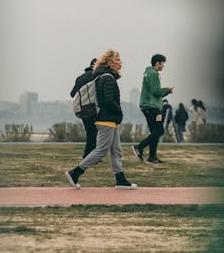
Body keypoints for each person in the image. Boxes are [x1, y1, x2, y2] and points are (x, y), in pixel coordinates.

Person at [65, 49, 136, 189]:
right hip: (106, 120)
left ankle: (120, 179)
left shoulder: (104, 76)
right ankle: (75, 173)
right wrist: (119, 112)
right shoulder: (107, 78)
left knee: (116, 150)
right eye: (118, 59)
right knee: (101, 151)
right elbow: (108, 101)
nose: (121, 62)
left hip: (109, 119)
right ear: (111, 62)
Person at [132, 54, 173, 164]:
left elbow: (153, 93)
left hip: (148, 106)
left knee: (154, 131)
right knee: (159, 130)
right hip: (152, 107)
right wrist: (167, 90)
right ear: (158, 63)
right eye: (163, 63)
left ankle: (152, 157)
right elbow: (156, 92)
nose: (163, 66)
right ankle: (139, 147)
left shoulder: (148, 73)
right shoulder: (153, 73)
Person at [70, 58, 98, 157]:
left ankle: (91, 155)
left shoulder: (80, 78)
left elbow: (72, 93)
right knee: (94, 133)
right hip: (92, 108)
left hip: (82, 109)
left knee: (90, 132)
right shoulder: (96, 77)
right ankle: (89, 155)